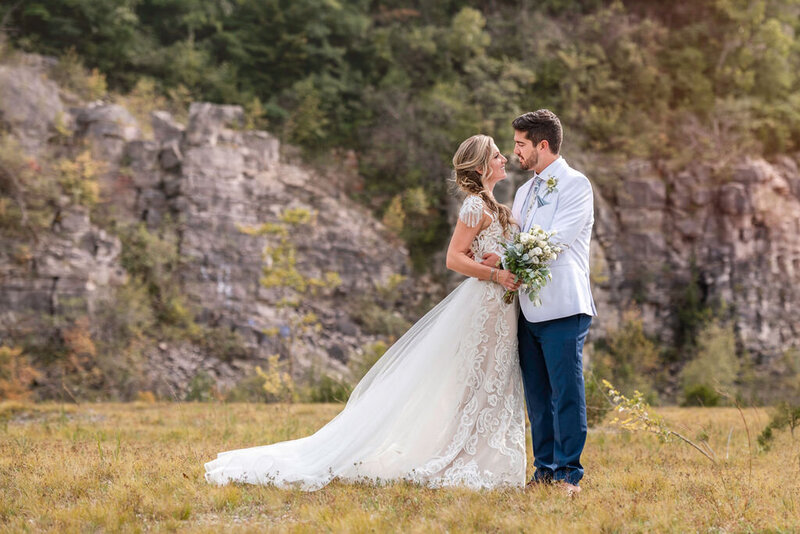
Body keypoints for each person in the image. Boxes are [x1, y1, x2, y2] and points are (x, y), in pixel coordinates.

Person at [205, 134, 527, 490]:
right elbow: (454, 258)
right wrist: (495, 273)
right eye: (498, 156)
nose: (505, 160)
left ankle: (484, 454)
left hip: (501, 308)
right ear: (482, 167)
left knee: (493, 379)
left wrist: (509, 263)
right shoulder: (473, 207)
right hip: (483, 305)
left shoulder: (498, 207)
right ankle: (462, 455)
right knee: (476, 381)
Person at [510, 109, 596, 495]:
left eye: (520, 144)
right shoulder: (523, 191)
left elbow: (557, 241)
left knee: (566, 393)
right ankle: (543, 470)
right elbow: (512, 239)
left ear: (542, 146)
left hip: (564, 304)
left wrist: (510, 259)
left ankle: (568, 474)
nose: (515, 152)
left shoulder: (576, 185)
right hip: (526, 308)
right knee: (538, 397)